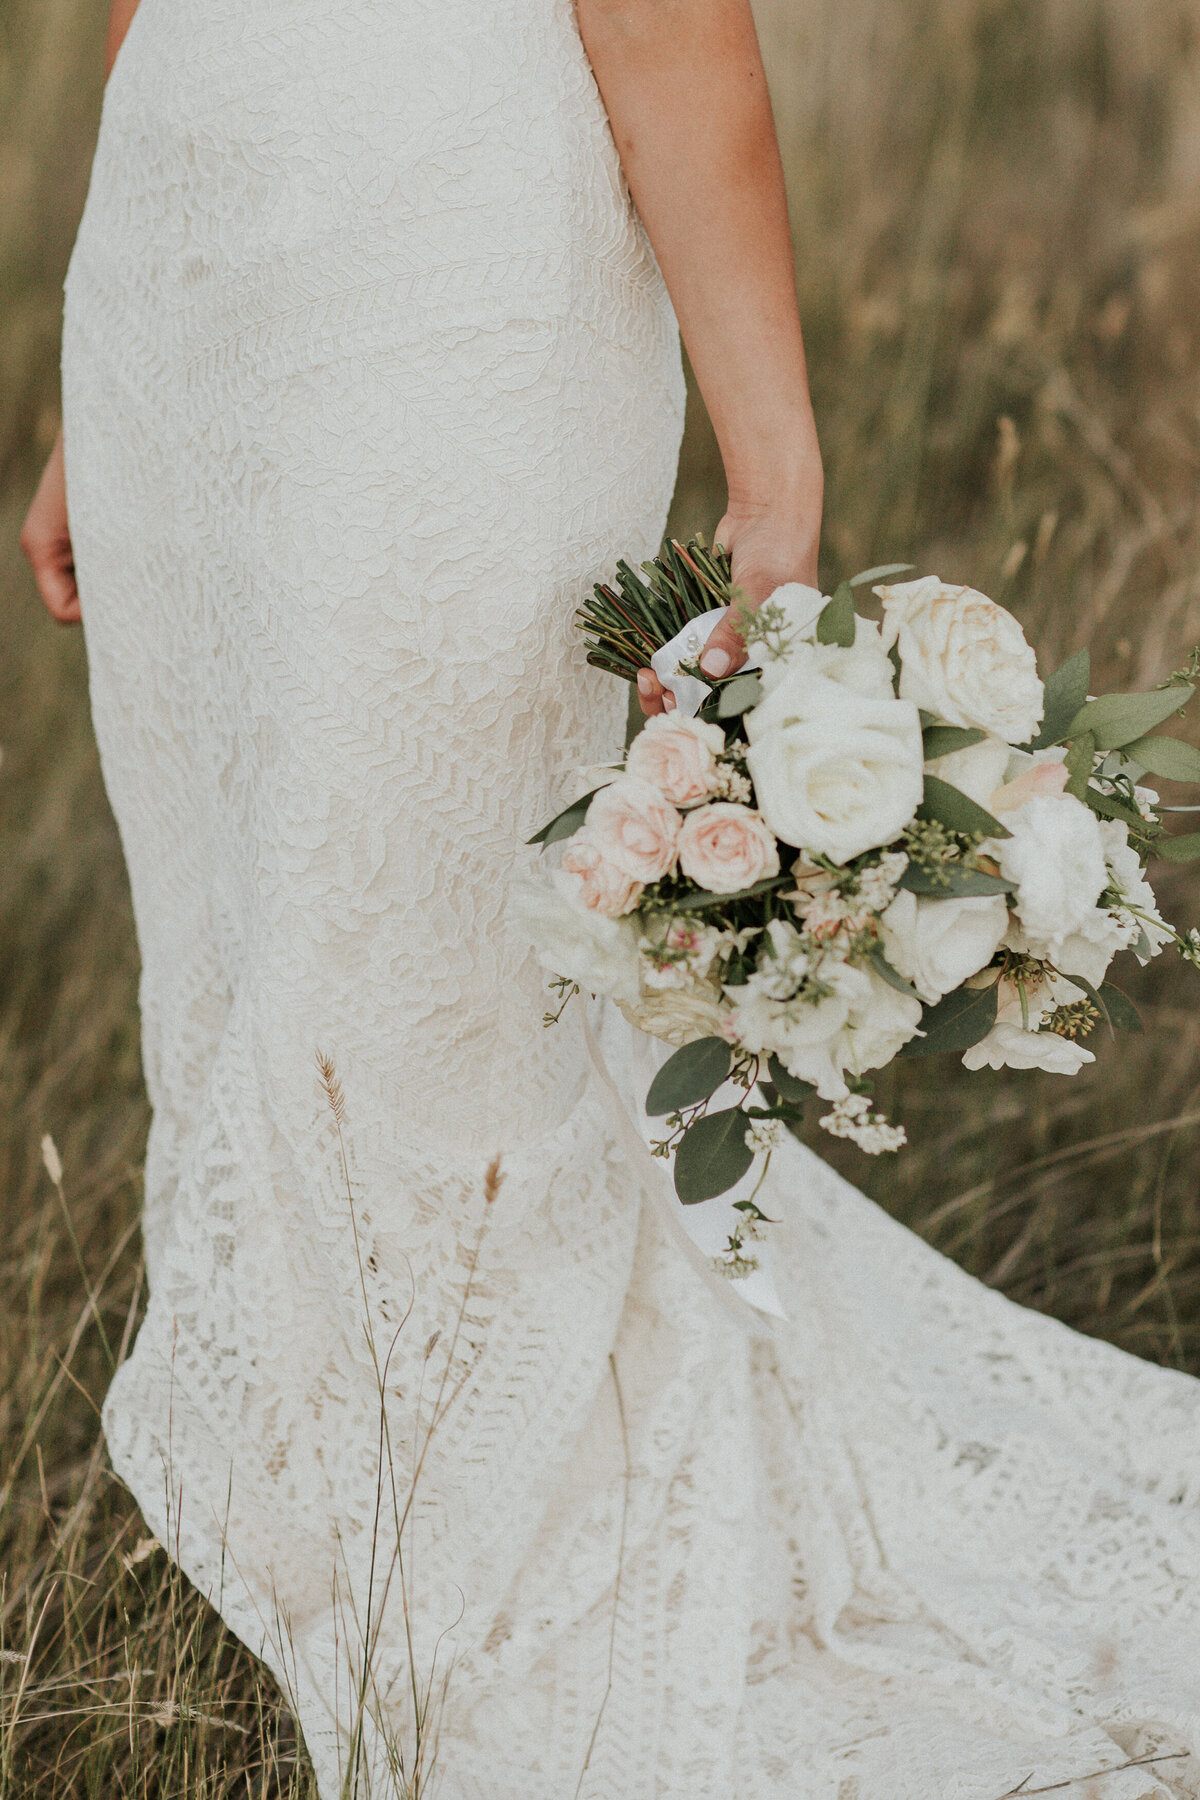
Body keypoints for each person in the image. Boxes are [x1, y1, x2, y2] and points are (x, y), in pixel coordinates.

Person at [21, 0, 1200, 1794]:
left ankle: (485, 1522)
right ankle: (327, 1494)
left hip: (442, 260)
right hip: (188, 292)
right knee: (249, 924)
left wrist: (771, 446)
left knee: (421, 943)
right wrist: (97, 380)